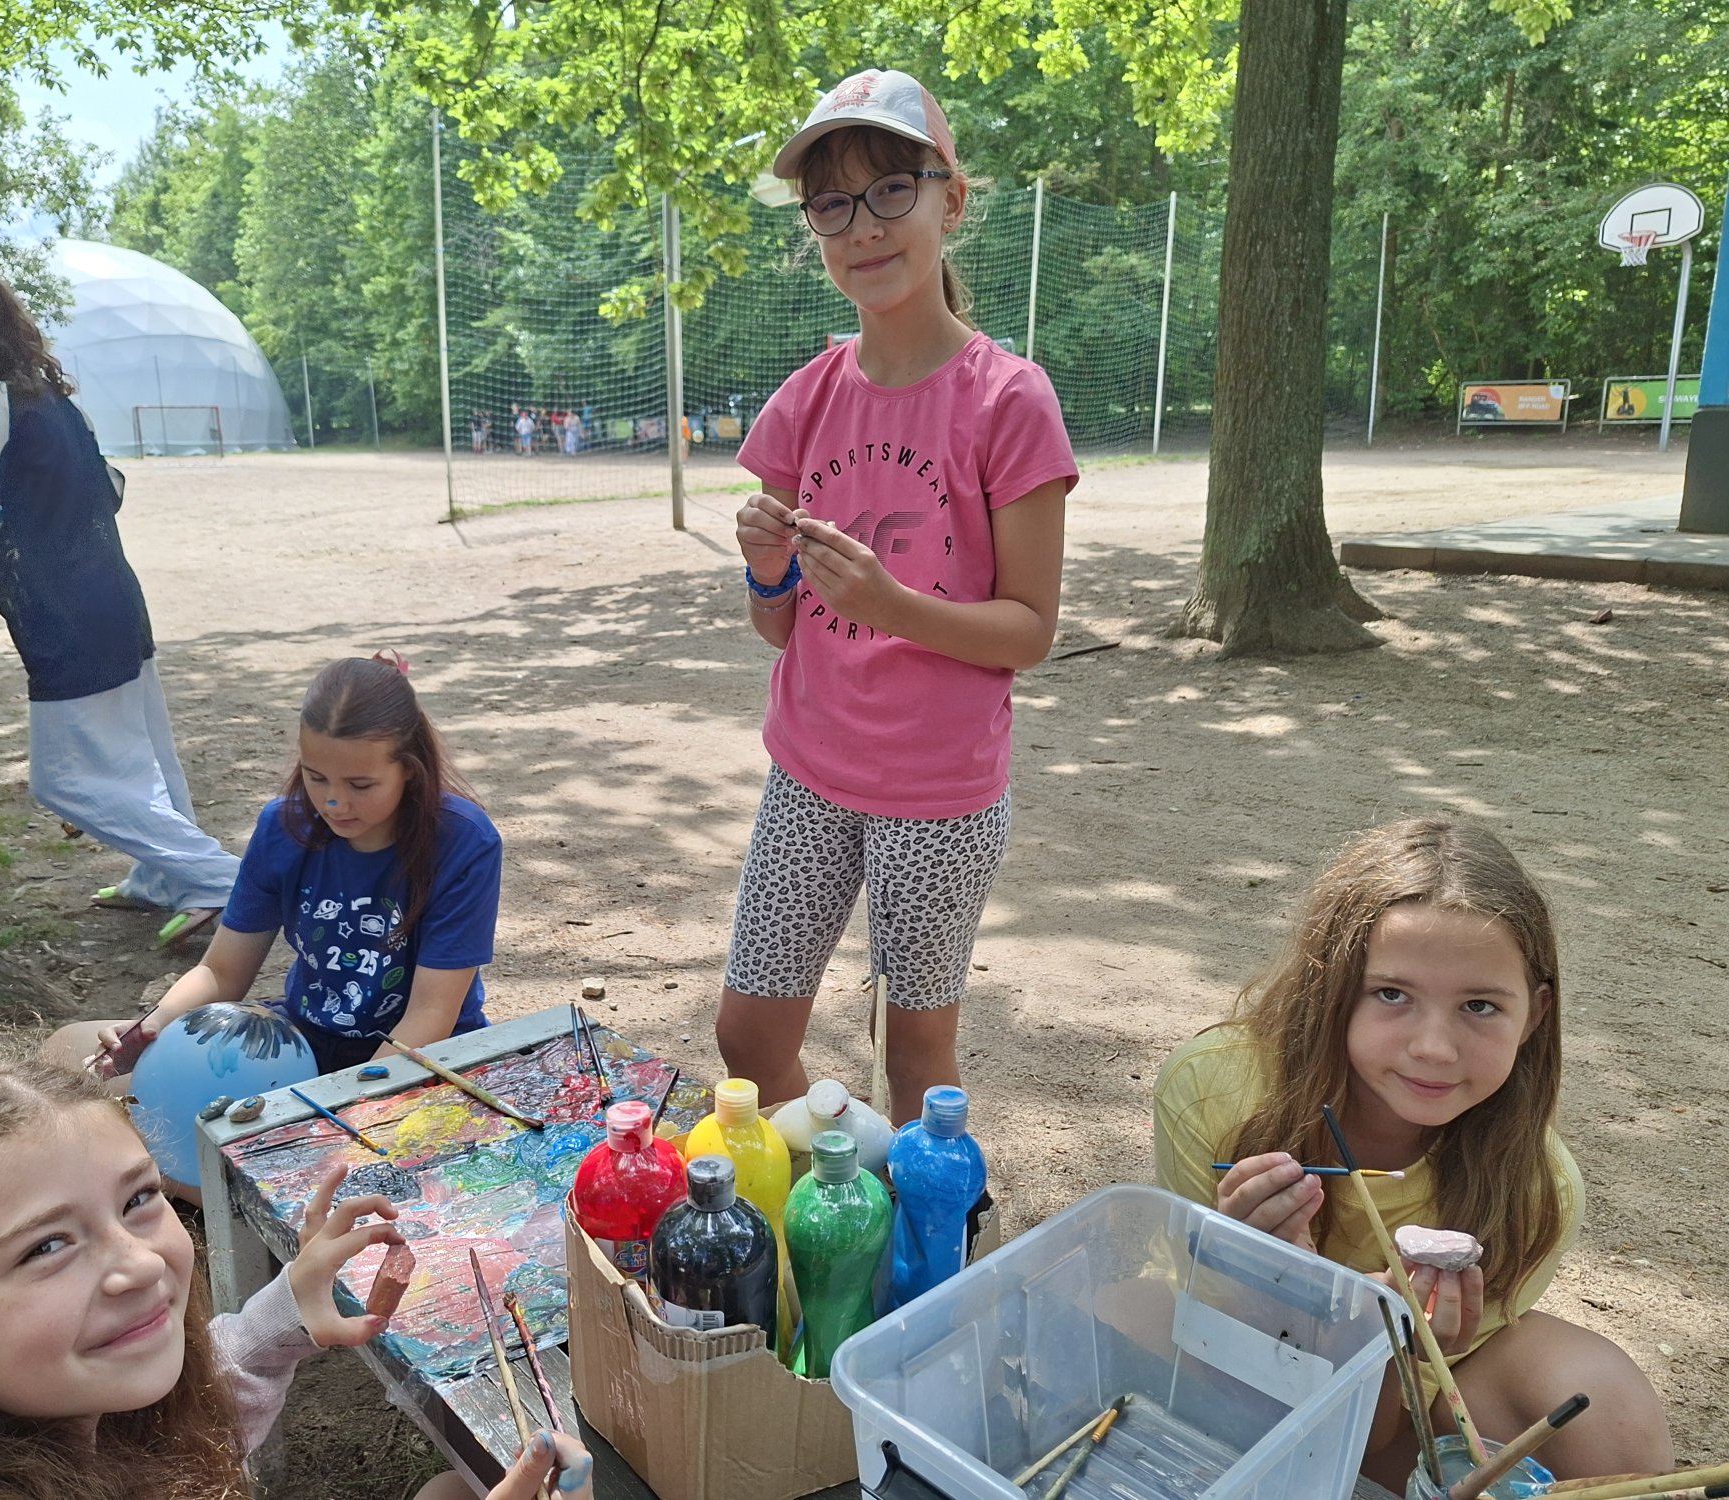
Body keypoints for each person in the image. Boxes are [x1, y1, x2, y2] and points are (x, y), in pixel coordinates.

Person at [717, 70, 1077, 1126]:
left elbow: (1028, 631)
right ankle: (849, 1180)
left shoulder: (1008, 400)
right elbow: (778, 626)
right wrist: (767, 569)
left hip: (939, 790)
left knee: (913, 1055)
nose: (862, 227)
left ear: (948, 201)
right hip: (809, 768)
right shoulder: (805, 399)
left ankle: (926, 1213)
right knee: (748, 1040)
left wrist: (889, 605)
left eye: (889, 191)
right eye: (831, 204)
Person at [0, 1061, 593, 1500]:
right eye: (46, 1247)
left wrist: (286, 1311)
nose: (143, 1263)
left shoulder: (56, 1419)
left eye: (139, 1200)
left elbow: (213, 1379)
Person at [1153, 819, 1672, 1486]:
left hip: (1396, 1417)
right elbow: (1211, 1356)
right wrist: (1273, 1285)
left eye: (1479, 1006)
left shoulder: (1539, 1189)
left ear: (1535, 1015)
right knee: (1122, 1306)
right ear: (1331, 990)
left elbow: (1372, 1439)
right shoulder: (1214, 1090)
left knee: (1605, 1409)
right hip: (1232, 1366)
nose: (1433, 1048)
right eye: (1392, 994)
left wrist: (1383, 1344)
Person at [0, 258, 241, 948]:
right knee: (150, 751)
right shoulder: (52, 396)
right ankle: (165, 876)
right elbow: (109, 486)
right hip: (114, 598)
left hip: (67, 617)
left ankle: (221, 879)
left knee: (59, 782)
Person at [43, 652, 504, 1082]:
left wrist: (348, 1098)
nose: (334, 803)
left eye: (360, 785)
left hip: (426, 1056)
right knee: (67, 1053)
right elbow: (222, 971)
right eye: (316, 777)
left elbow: (431, 1013)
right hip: (303, 1041)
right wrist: (153, 1025)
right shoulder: (284, 827)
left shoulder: (463, 841)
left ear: (410, 769)